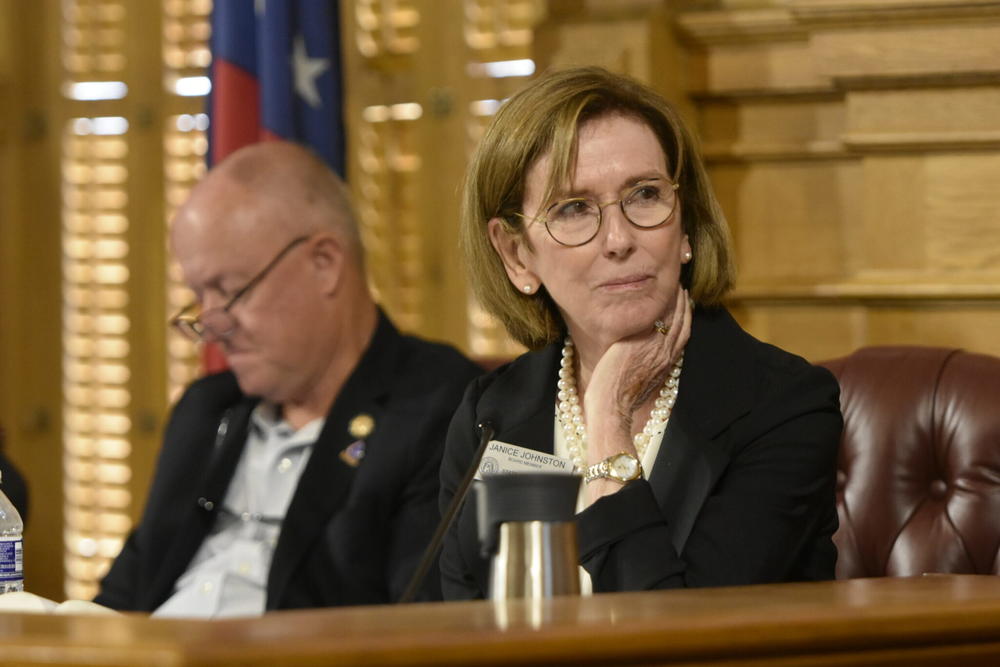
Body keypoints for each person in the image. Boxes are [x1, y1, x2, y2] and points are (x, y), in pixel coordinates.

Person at [441, 66, 842, 598]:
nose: (618, 239)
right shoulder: (488, 416)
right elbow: (456, 628)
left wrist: (608, 422)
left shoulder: (781, 407)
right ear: (517, 255)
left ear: (688, 226)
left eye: (646, 195)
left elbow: (683, 639)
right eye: (574, 209)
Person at [95, 141, 481, 616]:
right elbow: (121, 599)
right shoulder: (205, 409)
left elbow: (421, 629)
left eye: (231, 291)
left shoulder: (437, 407)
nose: (213, 326)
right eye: (200, 298)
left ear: (324, 265)